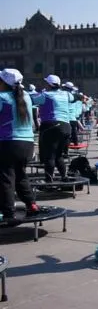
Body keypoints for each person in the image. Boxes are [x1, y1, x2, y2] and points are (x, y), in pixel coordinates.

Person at [0, 69, 38, 224]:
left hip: (9, 143)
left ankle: (8, 213)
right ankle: (31, 204)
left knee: (6, 178)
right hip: (27, 144)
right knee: (20, 175)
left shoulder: (2, 98)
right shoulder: (26, 97)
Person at [30, 74, 77, 182]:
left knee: (49, 155)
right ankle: (64, 177)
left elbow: (31, 100)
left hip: (51, 126)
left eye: (46, 82)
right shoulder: (66, 94)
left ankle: (49, 180)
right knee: (59, 155)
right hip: (66, 127)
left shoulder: (45, 95)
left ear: (49, 84)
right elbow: (76, 97)